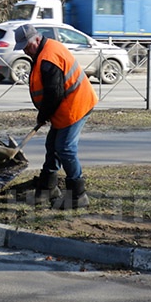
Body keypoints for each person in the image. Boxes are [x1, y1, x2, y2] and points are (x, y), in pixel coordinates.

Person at [14, 24, 98, 208]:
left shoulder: (48, 58)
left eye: (27, 46)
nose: (26, 51)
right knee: (52, 145)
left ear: (36, 39)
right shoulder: (44, 51)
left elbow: (54, 93)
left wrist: (43, 115)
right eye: (23, 48)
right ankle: (47, 189)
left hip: (75, 105)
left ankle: (78, 195)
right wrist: (44, 114)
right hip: (64, 106)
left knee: (65, 148)